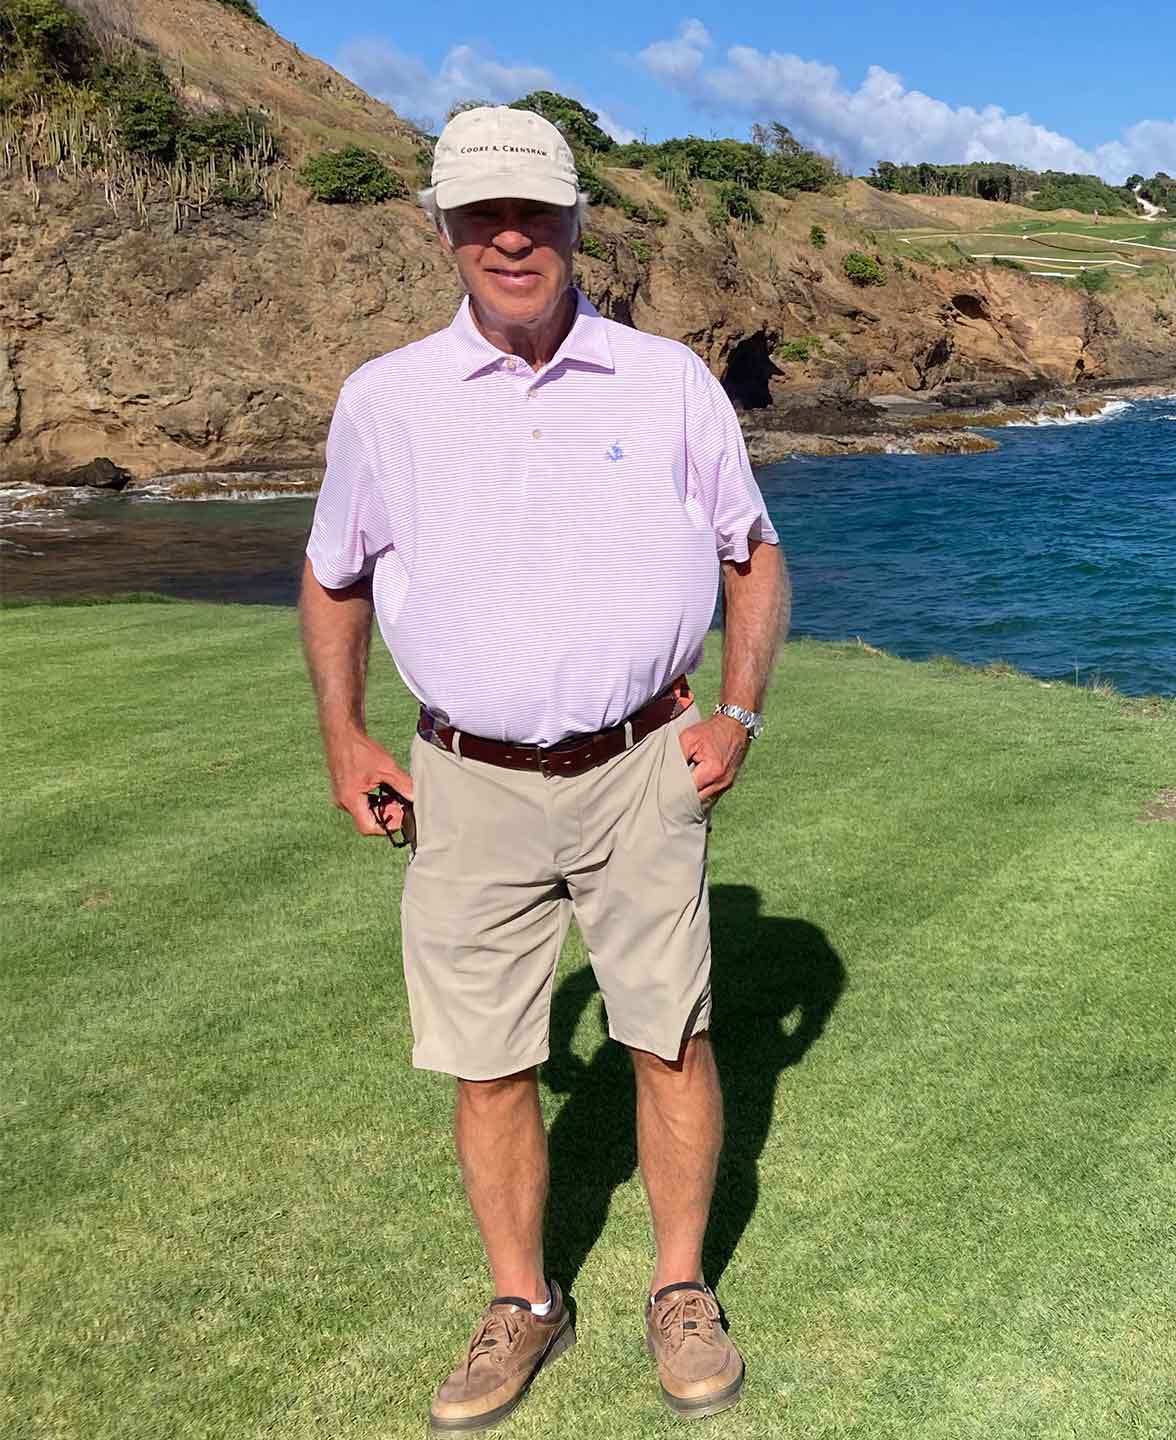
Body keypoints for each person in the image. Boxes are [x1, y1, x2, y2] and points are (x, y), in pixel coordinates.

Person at [296, 105, 788, 1430]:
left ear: (576, 219)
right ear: (446, 228)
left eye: (534, 212)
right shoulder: (385, 400)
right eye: (480, 215)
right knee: (490, 1060)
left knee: (667, 1036)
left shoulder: (667, 380)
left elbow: (752, 552)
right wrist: (345, 732)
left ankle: (678, 1287)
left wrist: (736, 713)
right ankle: (523, 1303)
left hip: (638, 767)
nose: (509, 238)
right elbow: (333, 574)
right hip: (464, 781)